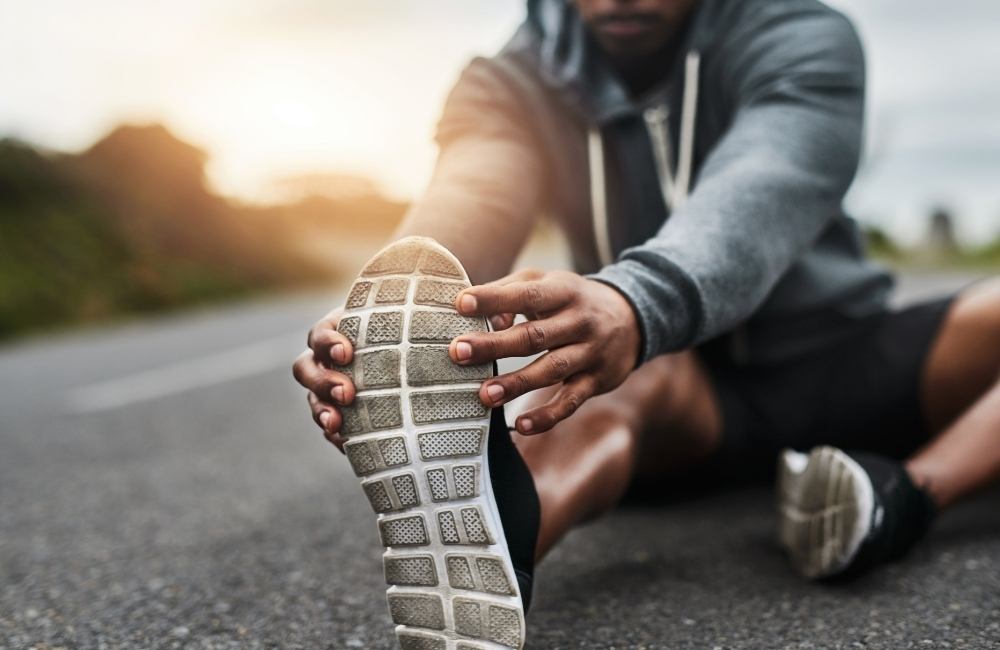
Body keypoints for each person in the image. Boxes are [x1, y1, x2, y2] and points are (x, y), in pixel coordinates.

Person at [293, 0, 1000, 645]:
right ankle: (492, 545)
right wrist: (382, 314)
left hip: (845, 358)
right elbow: (474, 190)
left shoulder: (800, 35)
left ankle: (903, 492)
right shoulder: (509, 83)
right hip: (669, 385)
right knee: (593, 372)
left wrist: (635, 300)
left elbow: (771, 174)